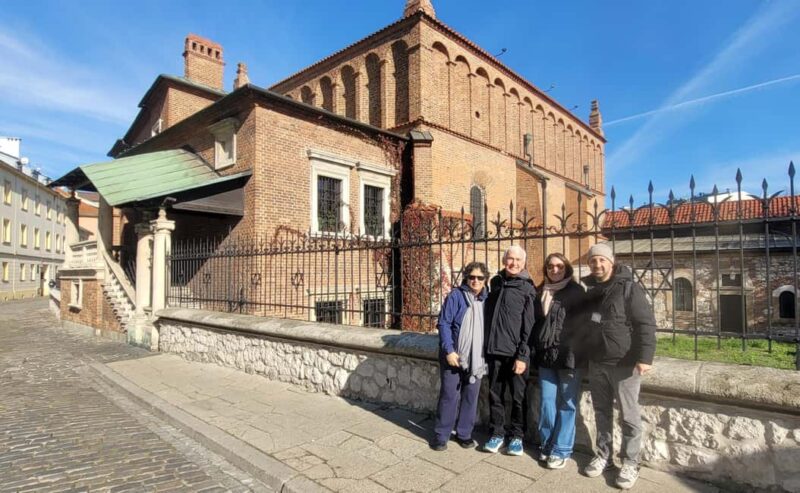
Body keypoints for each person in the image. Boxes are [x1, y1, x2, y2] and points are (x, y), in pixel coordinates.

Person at [580, 243, 656, 490]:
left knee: (629, 416)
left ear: (611, 262)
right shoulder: (590, 289)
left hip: (624, 363)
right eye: (593, 261)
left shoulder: (628, 288)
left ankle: (631, 462)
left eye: (602, 260)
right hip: (596, 362)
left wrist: (645, 358)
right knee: (601, 412)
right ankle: (604, 455)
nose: (597, 264)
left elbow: (645, 323)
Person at [531, 253, 586, 469]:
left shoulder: (576, 292)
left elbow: (582, 327)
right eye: (551, 266)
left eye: (560, 266)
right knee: (547, 402)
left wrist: (574, 354)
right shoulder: (540, 291)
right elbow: (536, 324)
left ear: (567, 269)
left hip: (568, 357)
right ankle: (547, 444)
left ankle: (561, 449)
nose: (555, 270)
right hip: (545, 356)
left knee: (567, 404)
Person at [482, 245, 537, 456]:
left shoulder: (527, 289)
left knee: (517, 398)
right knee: (495, 395)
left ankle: (517, 436)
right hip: (494, 351)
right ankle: (497, 433)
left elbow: (529, 327)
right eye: (510, 259)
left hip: (516, 355)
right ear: (504, 260)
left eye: (518, 260)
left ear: (524, 263)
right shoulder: (496, 283)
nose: (513, 263)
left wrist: (523, 355)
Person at [431, 261, 490, 451]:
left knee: (470, 396)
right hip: (454, 355)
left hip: (477, 358)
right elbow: (444, 323)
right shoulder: (456, 296)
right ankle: (441, 435)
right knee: (449, 395)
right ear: (466, 278)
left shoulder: (487, 299)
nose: (475, 281)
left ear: (485, 280)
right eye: (472, 277)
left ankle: (464, 433)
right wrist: (449, 350)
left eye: (480, 277)